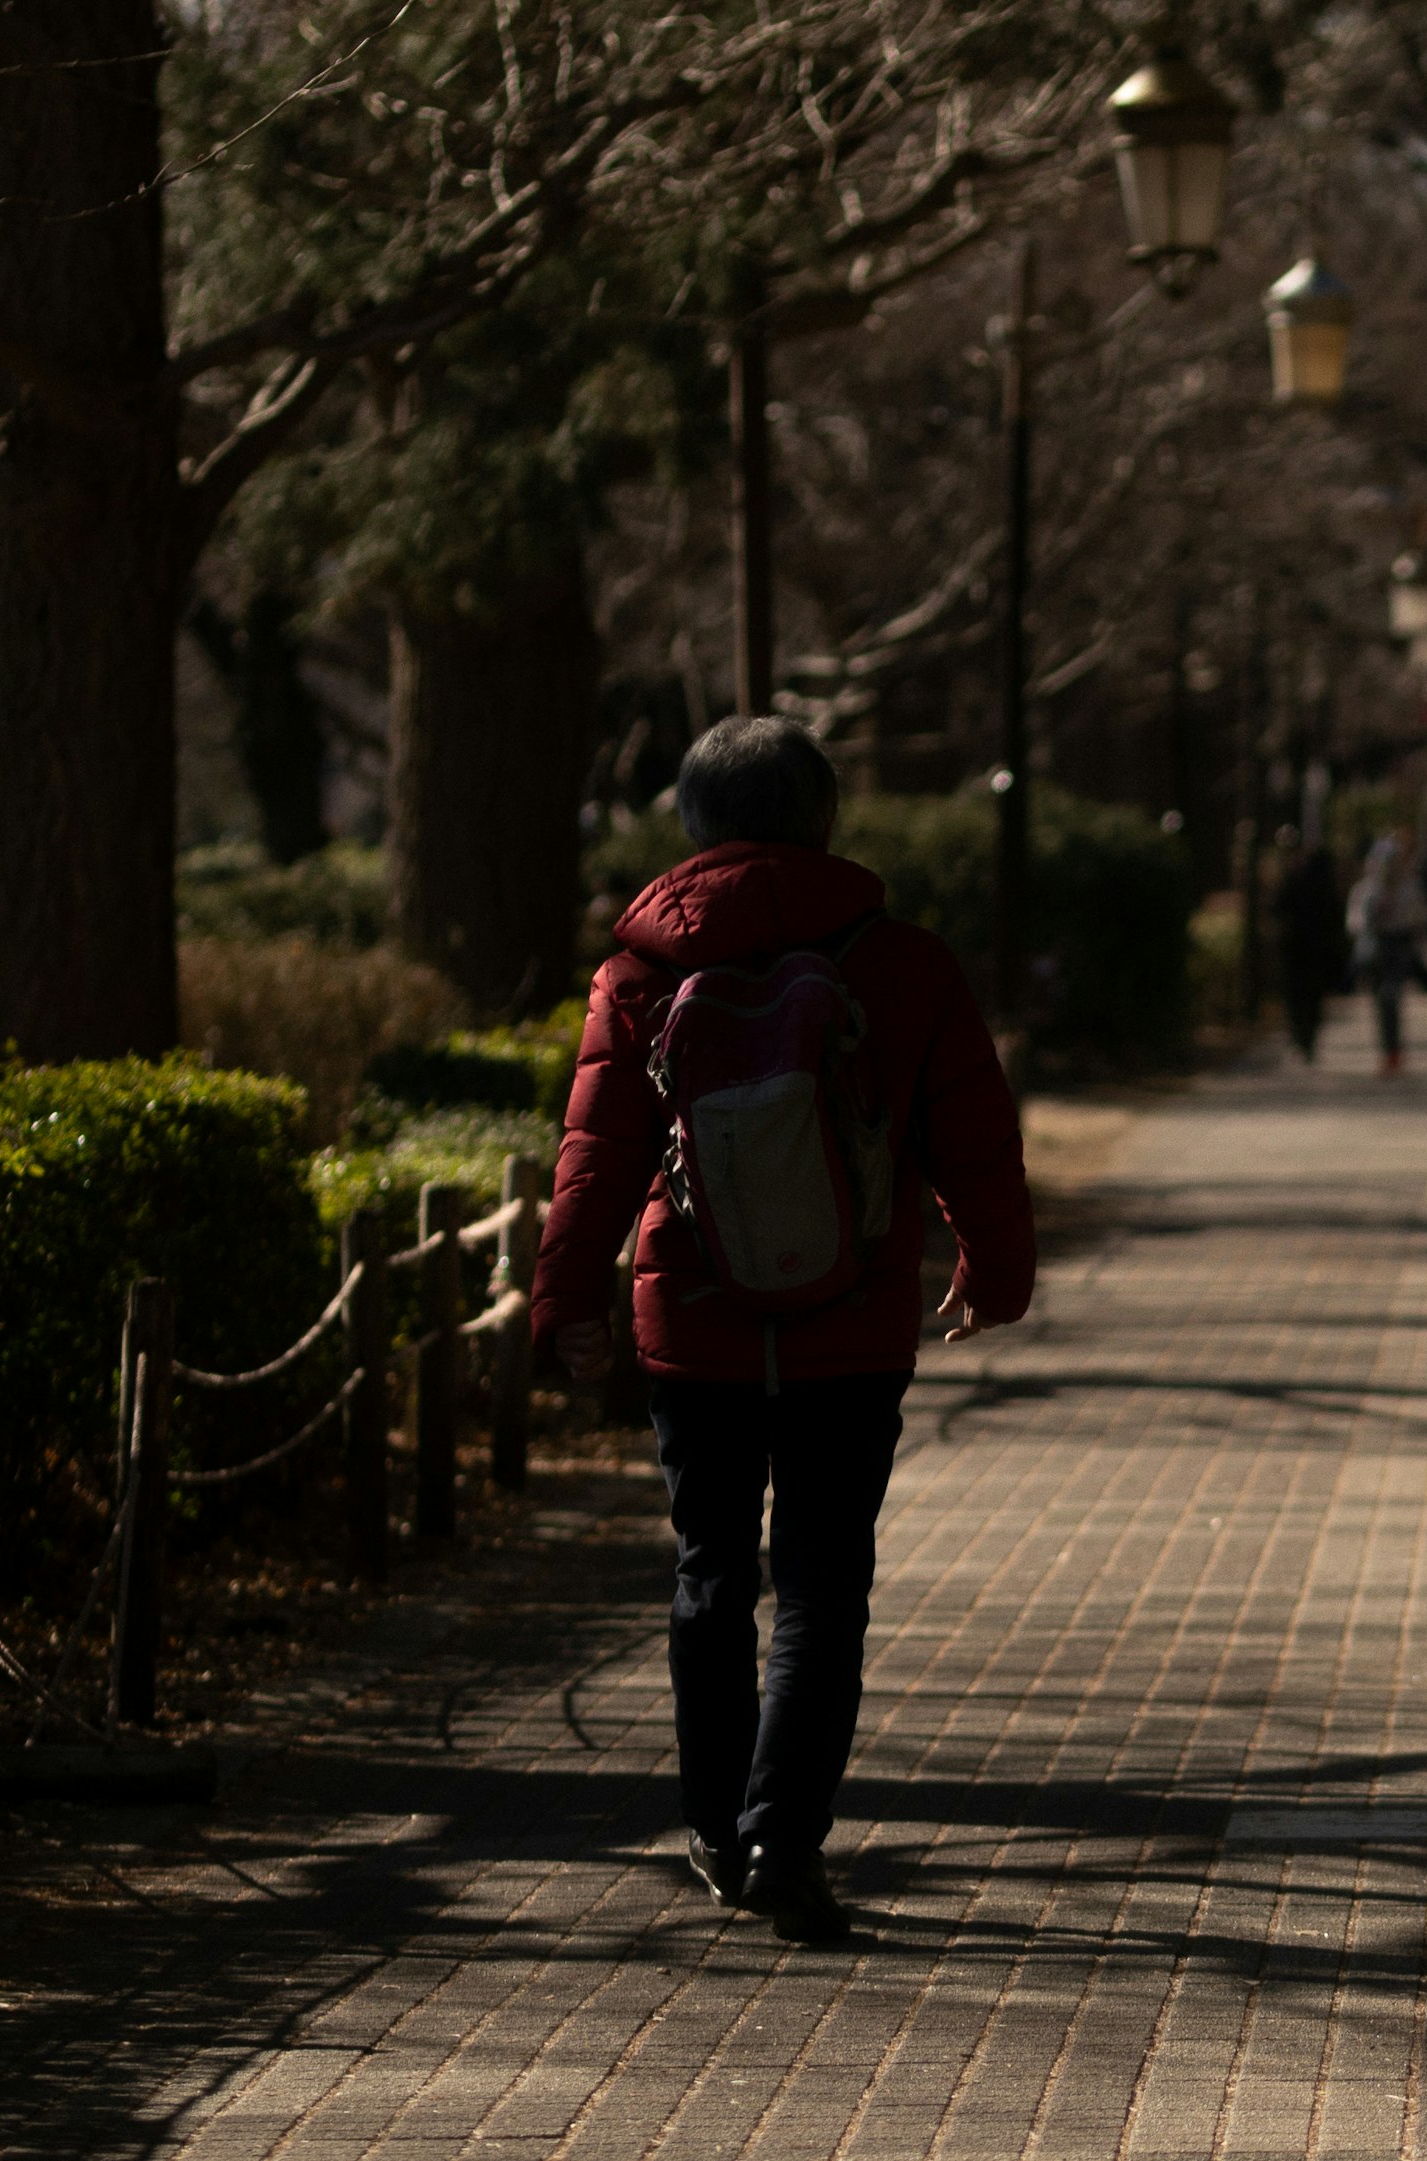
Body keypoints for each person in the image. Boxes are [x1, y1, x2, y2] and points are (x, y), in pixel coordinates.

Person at [530, 715, 1034, 1946]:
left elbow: (597, 1158)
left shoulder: (638, 975)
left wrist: (569, 1300)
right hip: (850, 1318)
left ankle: (712, 1825)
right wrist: (994, 1265)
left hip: (692, 1318)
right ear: (826, 819)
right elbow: (969, 1125)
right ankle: (783, 1842)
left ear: (694, 824)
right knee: (822, 1582)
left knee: (711, 1569)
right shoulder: (903, 961)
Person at [1349, 830, 1427, 1076]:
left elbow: (1421, 915)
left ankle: (1393, 1051)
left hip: (1399, 946)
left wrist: (1404, 919)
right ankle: (1388, 1051)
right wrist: (1372, 916)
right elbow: (1354, 922)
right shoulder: (1366, 891)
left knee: (1391, 998)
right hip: (1376, 949)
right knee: (1381, 1002)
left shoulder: (1409, 888)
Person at [1273, 827, 1347, 1064]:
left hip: (1298, 950)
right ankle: (1306, 1037)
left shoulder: (1295, 881)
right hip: (1312, 951)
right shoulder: (1323, 886)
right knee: (1310, 998)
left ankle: (1301, 1036)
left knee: (1297, 996)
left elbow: (1277, 909)